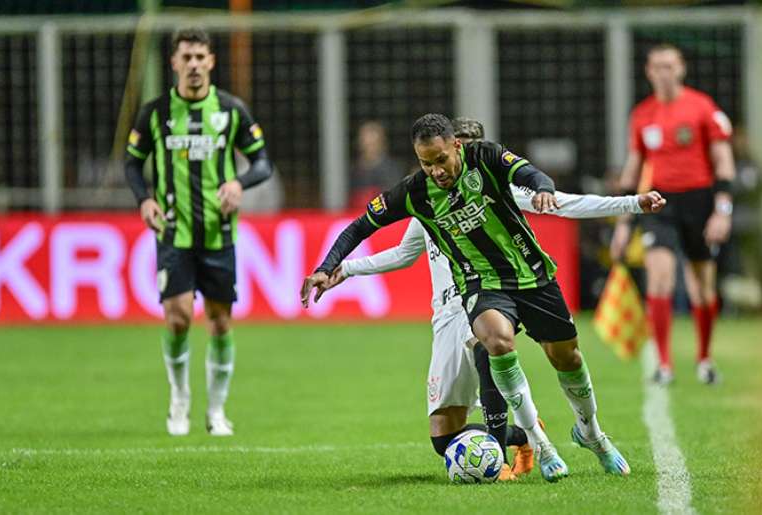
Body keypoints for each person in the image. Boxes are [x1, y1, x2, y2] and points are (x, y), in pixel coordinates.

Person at [303, 113, 637, 482]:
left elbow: (563, 202)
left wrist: (630, 205)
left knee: (504, 345)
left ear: (460, 148)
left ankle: (536, 446)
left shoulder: (493, 179)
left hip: (503, 285)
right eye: (426, 163)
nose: (437, 171)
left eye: (442, 159)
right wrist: (340, 268)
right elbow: (397, 251)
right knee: (443, 434)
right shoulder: (420, 200)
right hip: (449, 309)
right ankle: (523, 438)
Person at [124, 27, 273, 436]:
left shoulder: (230, 111)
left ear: (211, 61)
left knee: (220, 322)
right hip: (173, 231)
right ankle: (179, 400)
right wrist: (144, 199)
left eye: (199, 57)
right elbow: (133, 163)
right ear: (174, 63)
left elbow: (263, 163)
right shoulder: (156, 113)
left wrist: (240, 184)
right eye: (185, 57)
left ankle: (217, 411)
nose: (193, 65)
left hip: (218, 233)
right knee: (177, 318)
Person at [610, 43, 735, 386]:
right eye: (656, 67)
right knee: (660, 276)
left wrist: (722, 211)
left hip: (700, 201)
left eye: (669, 66)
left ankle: (705, 359)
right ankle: (664, 364)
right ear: (648, 72)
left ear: (681, 68)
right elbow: (633, 166)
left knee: (702, 286)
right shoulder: (642, 114)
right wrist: (623, 220)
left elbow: (723, 159)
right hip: (659, 203)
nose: (663, 73)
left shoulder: (702, 108)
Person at [349, 121, 403, 209]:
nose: (370, 147)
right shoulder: (354, 170)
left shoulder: (391, 169)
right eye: (367, 143)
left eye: (373, 143)